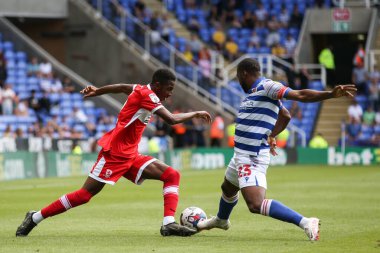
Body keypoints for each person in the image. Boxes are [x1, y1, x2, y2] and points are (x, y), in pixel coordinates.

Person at [16, 69, 211, 237]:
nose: (169, 94)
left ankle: (168, 224)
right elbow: (171, 119)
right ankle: (35, 217)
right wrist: (195, 114)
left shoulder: (140, 89)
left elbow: (122, 87)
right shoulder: (148, 96)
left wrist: (98, 91)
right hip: (114, 154)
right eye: (169, 89)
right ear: (157, 85)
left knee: (171, 174)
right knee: (84, 195)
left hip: (131, 155)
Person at [196, 58, 356, 241]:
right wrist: (271, 135)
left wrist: (329, 94)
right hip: (240, 155)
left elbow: (301, 95)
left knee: (255, 204)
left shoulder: (268, 86)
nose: (238, 82)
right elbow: (285, 115)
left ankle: (305, 221)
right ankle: (221, 220)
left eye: (238, 77)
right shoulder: (256, 93)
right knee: (228, 187)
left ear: (244, 74)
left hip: (252, 156)